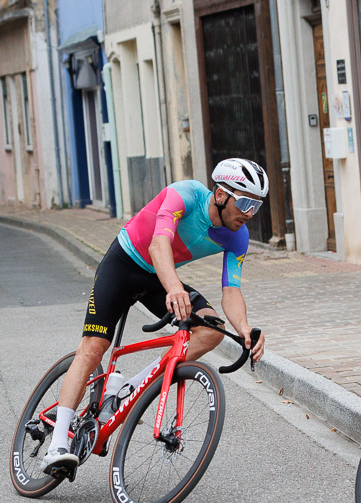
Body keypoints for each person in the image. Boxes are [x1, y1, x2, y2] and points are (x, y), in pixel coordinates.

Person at [40, 158, 269, 474]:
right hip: (124, 262)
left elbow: (231, 290)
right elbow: (159, 241)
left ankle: (130, 388)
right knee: (94, 348)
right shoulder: (185, 194)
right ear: (220, 194)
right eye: (244, 203)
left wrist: (244, 328)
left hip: (156, 277)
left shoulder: (237, 236)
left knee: (212, 330)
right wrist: (173, 286)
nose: (249, 214)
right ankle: (56, 447)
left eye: (256, 206)